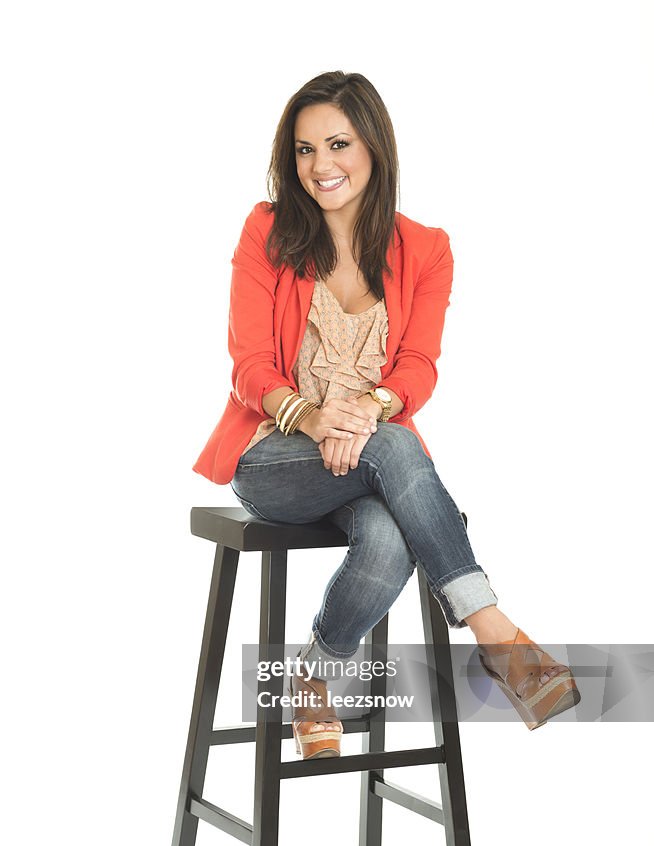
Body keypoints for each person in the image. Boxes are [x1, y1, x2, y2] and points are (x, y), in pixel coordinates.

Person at [193, 71, 580, 758]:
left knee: (391, 531)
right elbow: (249, 364)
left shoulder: (425, 249)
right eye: (304, 150)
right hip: (275, 457)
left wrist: (365, 413)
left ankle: (313, 679)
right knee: (398, 448)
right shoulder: (267, 231)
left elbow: (417, 369)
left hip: (369, 458)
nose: (320, 166)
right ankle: (491, 629)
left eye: (337, 143)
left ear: (373, 146)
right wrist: (314, 420)